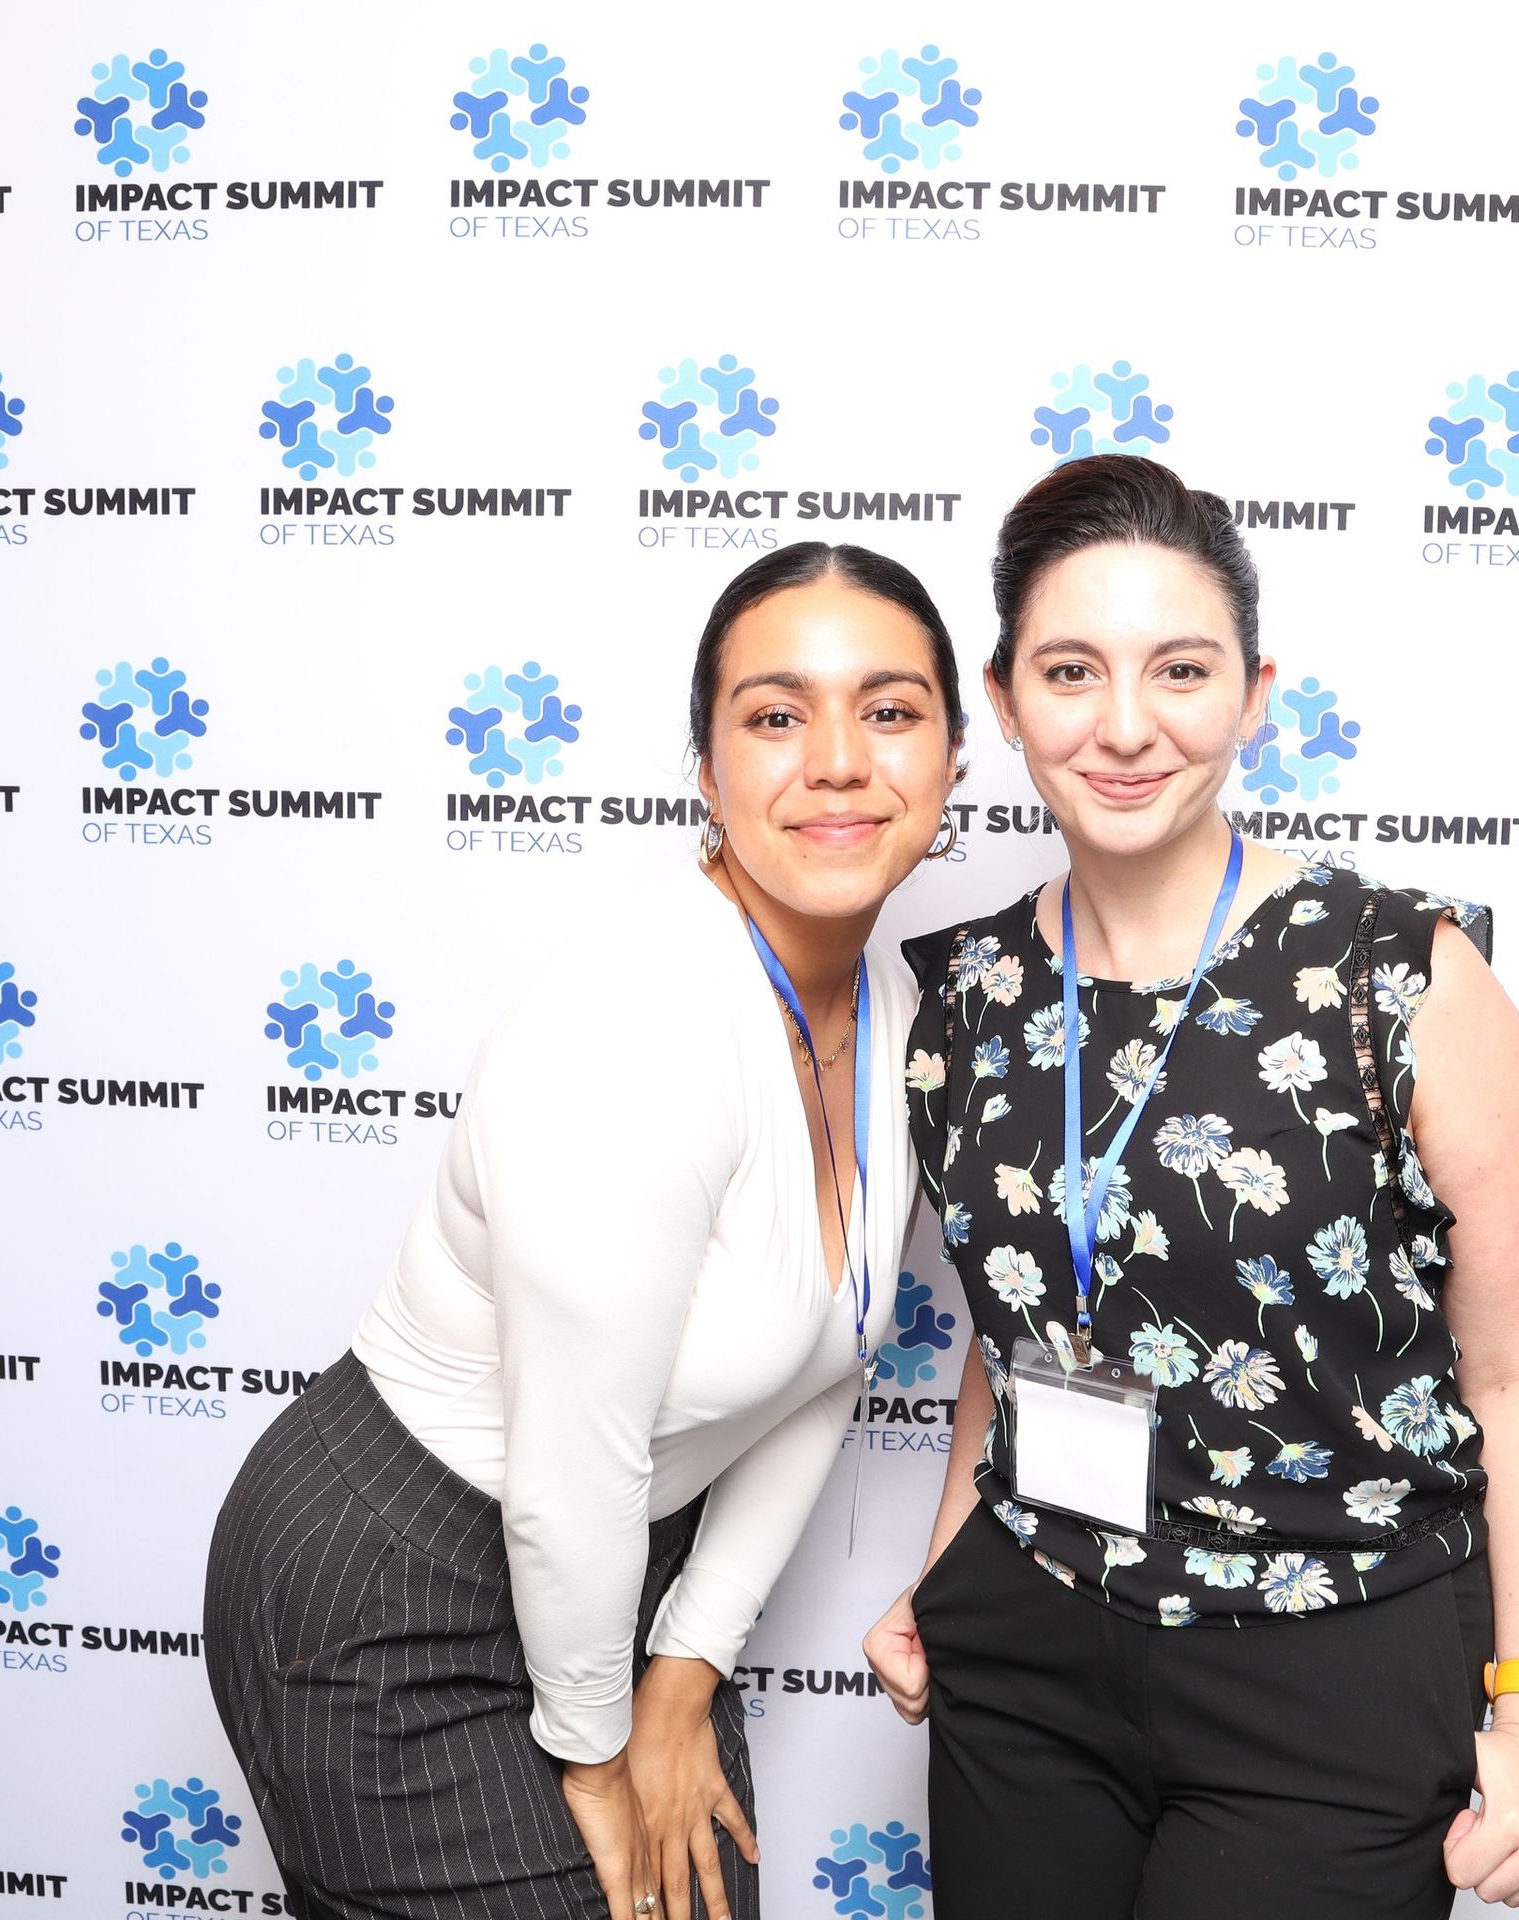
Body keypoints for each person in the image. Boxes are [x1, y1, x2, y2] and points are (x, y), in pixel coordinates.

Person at [865, 456, 1519, 1917]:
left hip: (1331, 1658)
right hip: (1030, 1646)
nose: (1126, 726)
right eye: (1070, 672)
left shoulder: (1399, 977)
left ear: (1256, 695)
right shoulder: (962, 993)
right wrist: (948, 1569)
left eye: (1181, 670)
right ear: (1003, 701)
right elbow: (1020, 1324)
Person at [204, 542, 964, 1920]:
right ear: (706, 772)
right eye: (777, 715)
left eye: (891, 710)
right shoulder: (637, 1024)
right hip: (402, 1580)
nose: (839, 761)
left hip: (618, 1572)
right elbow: (569, 1468)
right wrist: (600, 1754)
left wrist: (688, 1667)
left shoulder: (896, 1012)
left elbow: (829, 1365)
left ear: (954, 758)